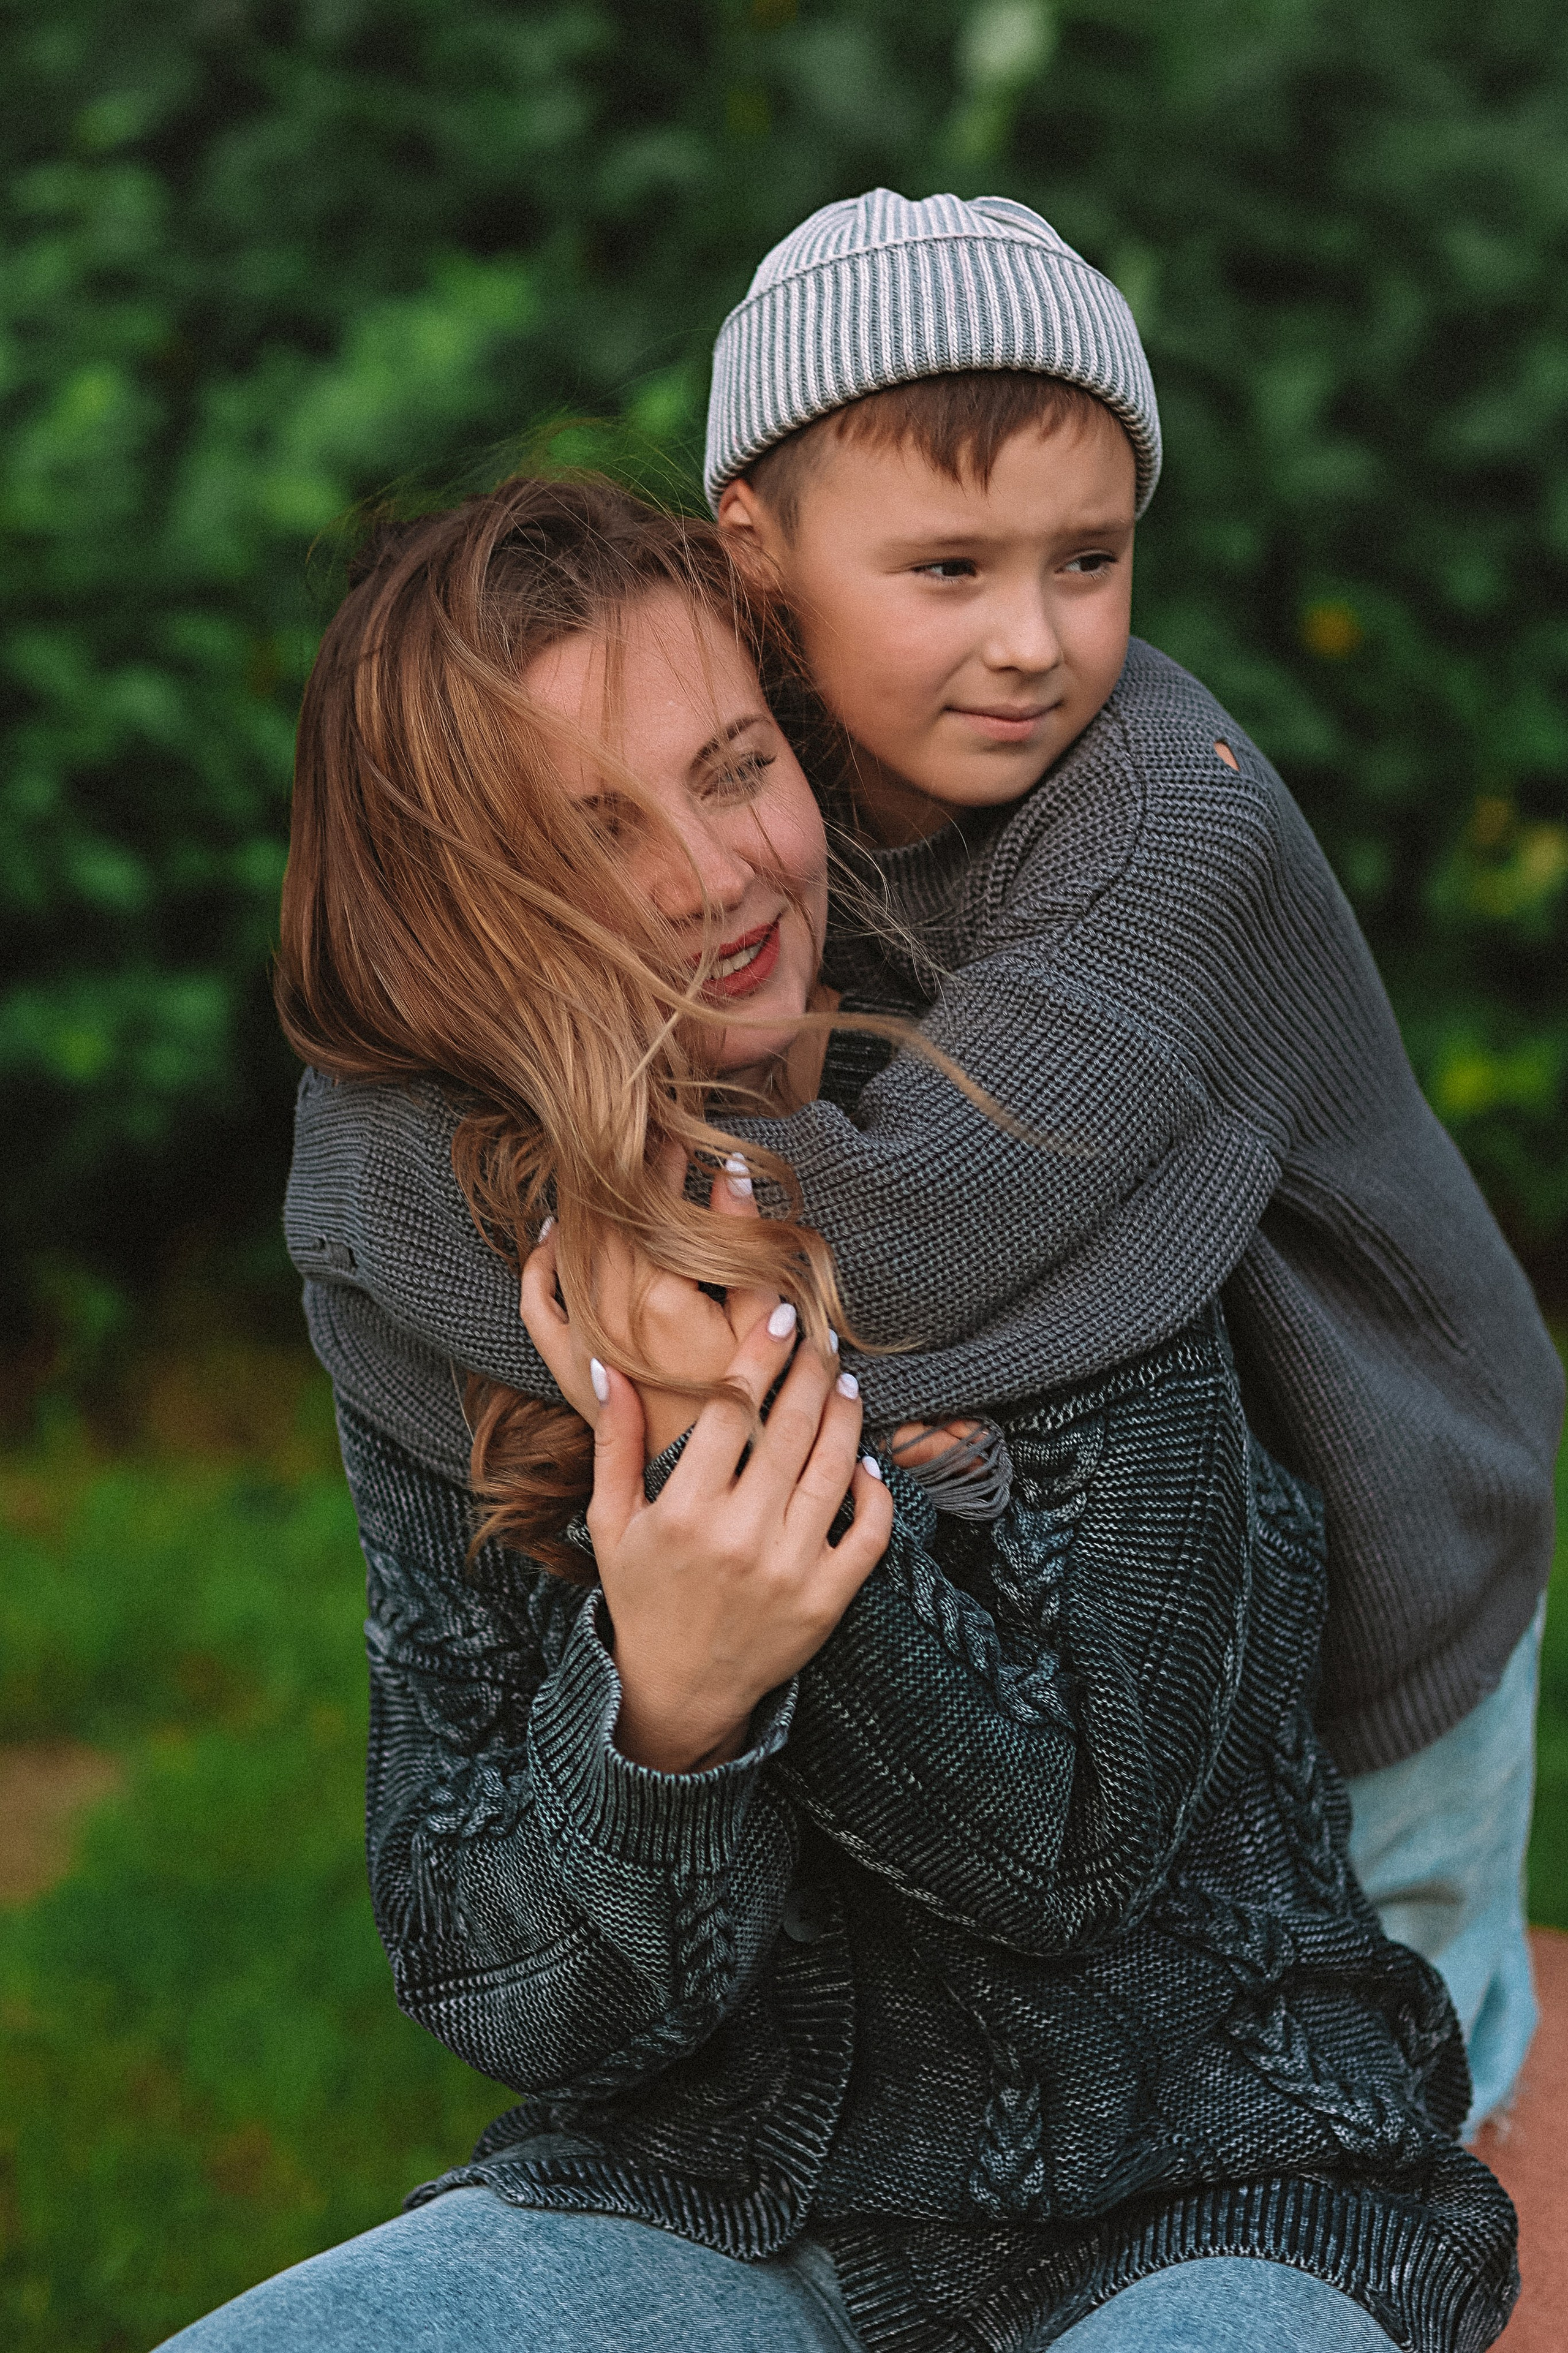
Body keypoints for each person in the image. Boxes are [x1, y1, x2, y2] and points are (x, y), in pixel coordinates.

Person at [165, 474, 1516, 2351]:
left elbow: (1076, 1851)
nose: (714, 879)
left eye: (735, 768)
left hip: (1209, 2186)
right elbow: (483, 1961)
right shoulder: (446, 1283)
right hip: (719, 2200)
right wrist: (666, 1709)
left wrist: (798, 1501)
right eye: (596, 834)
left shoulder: (1036, 1128)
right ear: (462, 919)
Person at [286, 190, 1562, 2133]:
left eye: (1092, 559)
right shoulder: (731, 737)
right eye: (949, 564)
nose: (1032, 641)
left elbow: (934, 1218)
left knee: (1389, 2035)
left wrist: (649, 1279)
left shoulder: (1161, 825)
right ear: (761, 564)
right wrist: (585, 1239)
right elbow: (364, 1126)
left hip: (1385, 1509)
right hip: (1117, 1590)